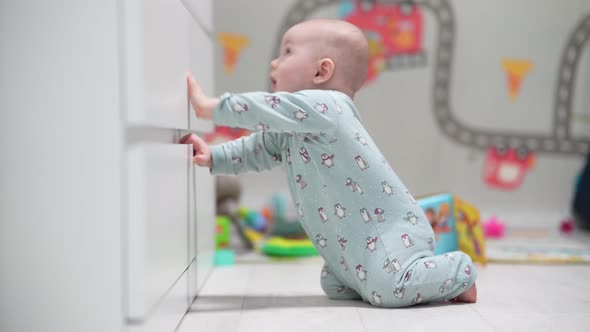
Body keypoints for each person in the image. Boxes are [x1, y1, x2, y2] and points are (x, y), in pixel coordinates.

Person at [181, 19, 477, 307]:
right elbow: (258, 148)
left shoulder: (331, 107)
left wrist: (212, 108)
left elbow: (268, 108)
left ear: (322, 71)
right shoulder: (291, 129)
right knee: (335, 285)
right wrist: (215, 156)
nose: (274, 62)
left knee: (387, 291)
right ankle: (369, 276)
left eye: (287, 52)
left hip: (390, 235)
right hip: (349, 249)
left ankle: (457, 271)